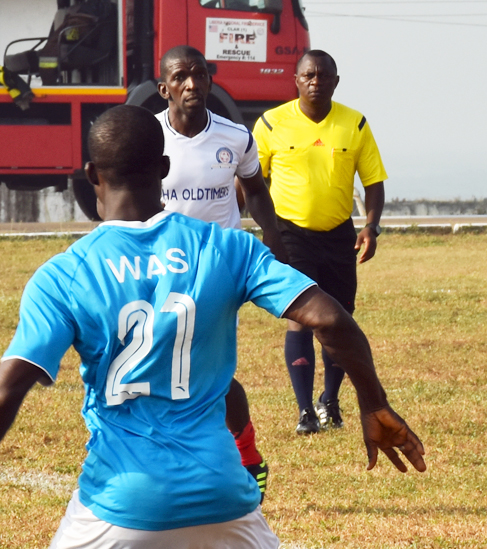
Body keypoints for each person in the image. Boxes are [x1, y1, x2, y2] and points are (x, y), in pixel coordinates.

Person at [0, 105, 425, 549]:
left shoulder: (65, 274)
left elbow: (9, 387)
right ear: (164, 168)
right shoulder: (225, 246)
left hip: (121, 503)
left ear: (91, 175)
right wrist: (372, 403)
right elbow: (331, 320)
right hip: (222, 498)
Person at [154, 45, 286, 500]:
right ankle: (224, 455)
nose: (192, 84)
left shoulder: (235, 137)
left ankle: (245, 455)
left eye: (199, 75)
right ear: (164, 87)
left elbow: (256, 190)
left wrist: (273, 237)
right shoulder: (147, 138)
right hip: (160, 269)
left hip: (216, 270)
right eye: (181, 76)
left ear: (209, 81)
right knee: (173, 368)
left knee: (205, 369)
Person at [253, 50, 387, 435]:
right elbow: (250, 183)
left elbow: (374, 182)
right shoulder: (271, 124)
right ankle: (304, 411)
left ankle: (330, 401)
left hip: (339, 236)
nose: (316, 81)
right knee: (300, 321)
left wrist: (371, 226)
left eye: (323, 75)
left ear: (335, 81)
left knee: (340, 321)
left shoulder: (355, 124)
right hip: (291, 236)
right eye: (308, 75)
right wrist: (260, 228)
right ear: (296, 80)